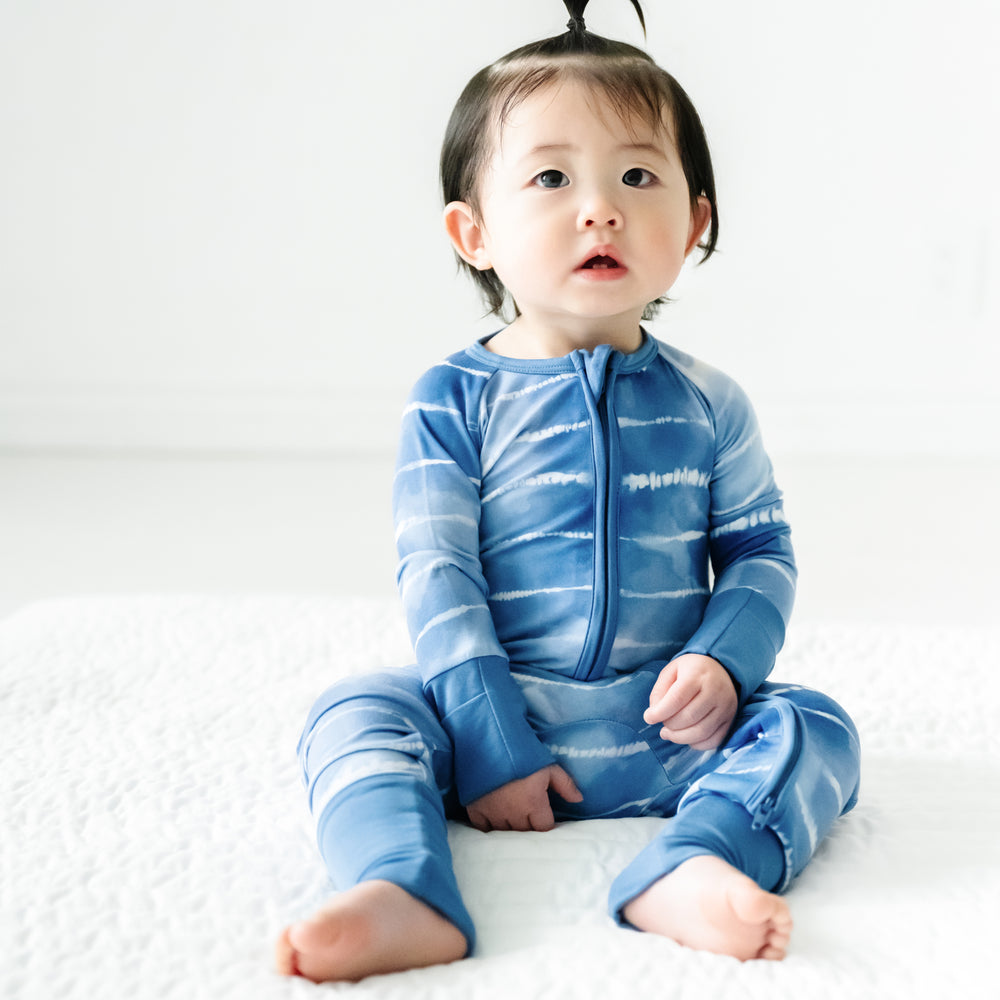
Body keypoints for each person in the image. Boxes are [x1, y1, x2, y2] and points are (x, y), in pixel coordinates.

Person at [275, 0, 861, 982]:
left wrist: (721, 665)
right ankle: (400, 886)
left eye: (638, 175)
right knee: (356, 709)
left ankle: (695, 864)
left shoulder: (711, 402)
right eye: (549, 178)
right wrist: (490, 738)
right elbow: (437, 571)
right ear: (472, 232)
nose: (600, 206)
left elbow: (759, 555)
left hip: (669, 729)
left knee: (817, 725)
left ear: (695, 226)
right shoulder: (451, 401)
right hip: (487, 725)